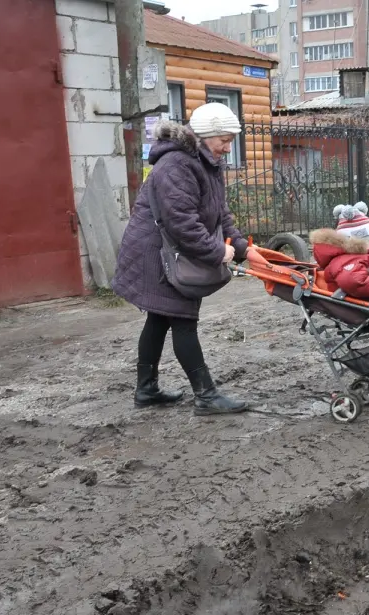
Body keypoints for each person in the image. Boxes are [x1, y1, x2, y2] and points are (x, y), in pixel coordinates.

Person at [112, 103, 251, 416]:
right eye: (224, 141)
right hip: (158, 253)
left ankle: (146, 389)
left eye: (230, 140)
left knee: (159, 316)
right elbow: (182, 223)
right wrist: (218, 251)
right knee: (183, 319)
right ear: (203, 137)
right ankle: (206, 395)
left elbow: (220, 213)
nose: (228, 148)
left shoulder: (207, 163)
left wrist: (242, 248)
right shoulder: (177, 164)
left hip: (168, 249)